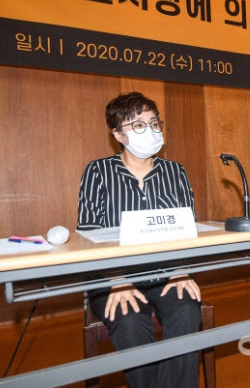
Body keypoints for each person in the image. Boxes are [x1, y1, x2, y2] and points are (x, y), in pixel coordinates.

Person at [77, 92, 202, 388]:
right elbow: (88, 236)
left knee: (186, 309)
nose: (150, 130)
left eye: (154, 123)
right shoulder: (98, 171)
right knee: (129, 319)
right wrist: (117, 279)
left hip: (166, 269)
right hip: (111, 272)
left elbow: (188, 229)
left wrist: (181, 268)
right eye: (138, 125)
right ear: (118, 134)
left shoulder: (175, 172)